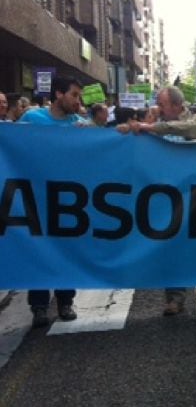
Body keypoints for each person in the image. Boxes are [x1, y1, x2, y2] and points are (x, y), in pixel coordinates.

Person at [117, 86, 196, 316]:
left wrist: (150, 127)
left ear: (177, 106)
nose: (158, 108)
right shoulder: (153, 122)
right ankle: (175, 298)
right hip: (168, 194)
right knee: (173, 245)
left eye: (162, 104)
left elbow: (194, 130)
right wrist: (127, 130)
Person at [17, 76, 86, 327]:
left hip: (68, 201)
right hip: (36, 198)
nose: (78, 101)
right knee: (38, 250)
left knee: (67, 250)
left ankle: (65, 301)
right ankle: (38, 305)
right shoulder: (32, 120)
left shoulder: (79, 125)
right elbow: (13, 147)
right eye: (74, 95)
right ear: (59, 94)